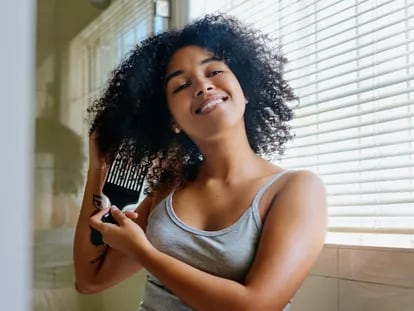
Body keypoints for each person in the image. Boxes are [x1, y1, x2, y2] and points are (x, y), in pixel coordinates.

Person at [73, 14, 327, 311]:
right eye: (181, 86)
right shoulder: (171, 186)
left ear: (245, 91)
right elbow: (89, 280)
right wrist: (98, 168)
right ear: (172, 121)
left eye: (214, 71)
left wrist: (143, 251)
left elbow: (257, 306)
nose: (203, 87)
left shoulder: (297, 189)